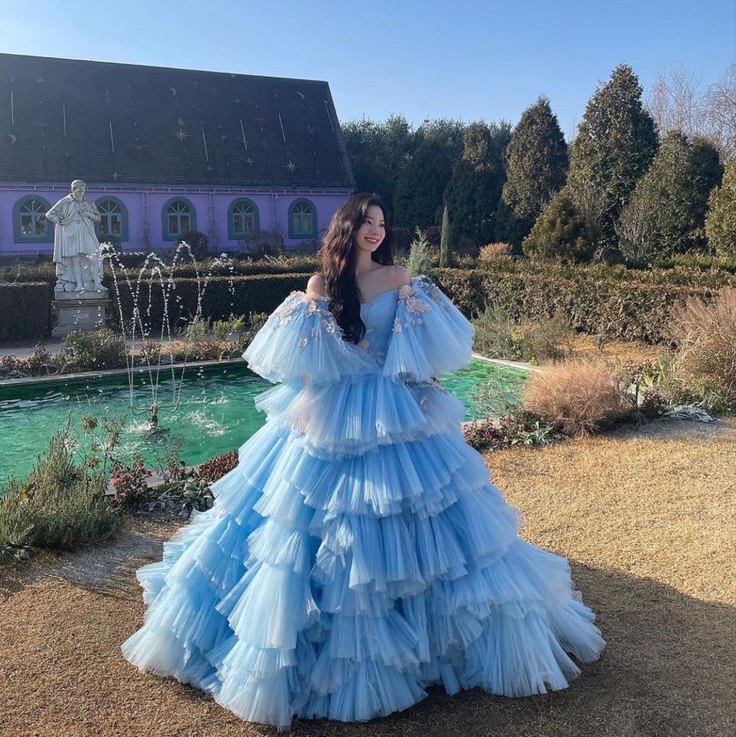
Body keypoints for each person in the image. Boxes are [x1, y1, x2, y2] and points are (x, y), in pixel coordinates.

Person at [121, 191, 605, 729]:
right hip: (330, 409)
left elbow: (420, 352)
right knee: (301, 528)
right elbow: (309, 360)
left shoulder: (398, 278)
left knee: (417, 523)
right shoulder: (318, 286)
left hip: (391, 409)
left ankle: (421, 641)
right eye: (366, 222)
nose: (376, 231)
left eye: (381, 223)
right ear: (345, 228)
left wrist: (425, 395)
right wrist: (305, 403)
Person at [45, 179, 105, 293]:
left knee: (93, 256)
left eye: (82, 189)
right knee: (75, 260)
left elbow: (98, 217)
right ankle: (79, 284)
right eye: (78, 189)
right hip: (70, 233)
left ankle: (97, 283)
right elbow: (49, 214)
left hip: (86, 231)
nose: (81, 192)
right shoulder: (64, 202)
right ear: (73, 189)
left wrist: (88, 214)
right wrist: (58, 220)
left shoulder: (89, 203)